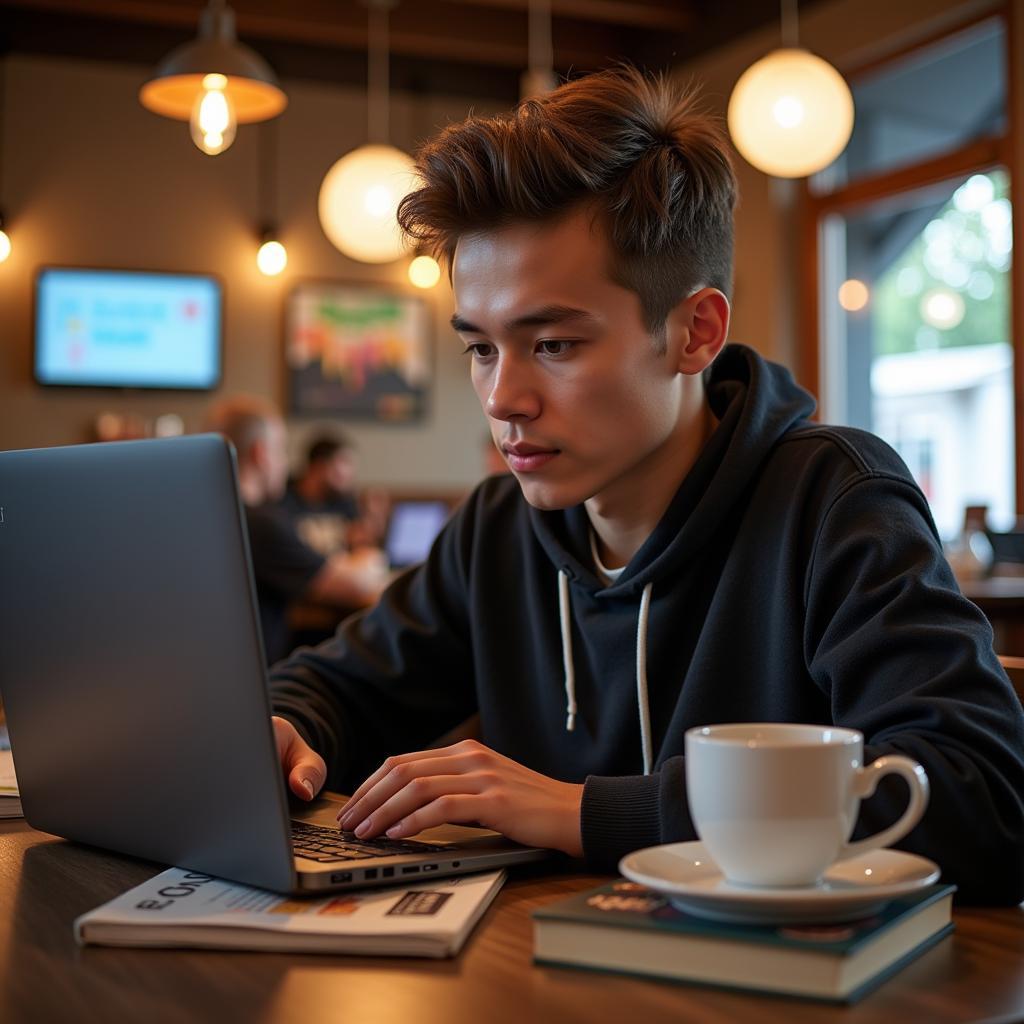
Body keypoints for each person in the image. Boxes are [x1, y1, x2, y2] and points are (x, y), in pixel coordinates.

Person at [267, 69, 1024, 903]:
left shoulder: (834, 503)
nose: (501, 399)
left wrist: (586, 813)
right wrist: (286, 726)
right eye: (480, 347)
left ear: (695, 332)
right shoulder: (499, 527)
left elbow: (979, 798)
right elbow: (338, 683)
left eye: (552, 344)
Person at [205, 396, 389, 665]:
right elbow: (356, 586)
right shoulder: (259, 523)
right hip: (260, 685)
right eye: (281, 449)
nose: (285, 462)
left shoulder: (214, 512)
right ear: (260, 453)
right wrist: (368, 552)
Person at [280, 434, 390, 556]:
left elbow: (360, 546)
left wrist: (373, 524)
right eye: (345, 463)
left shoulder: (344, 501)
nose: (351, 473)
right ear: (319, 466)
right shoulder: (282, 500)